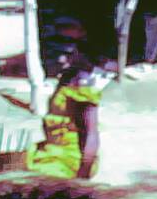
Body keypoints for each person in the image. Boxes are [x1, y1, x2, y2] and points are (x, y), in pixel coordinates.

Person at [26, 21, 102, 180]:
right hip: (52, 151)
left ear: (80, 53)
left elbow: (91, 134)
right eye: (57, 53)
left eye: (68, 54)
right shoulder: (66, 79)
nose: (60, 59)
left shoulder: (82, 85)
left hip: (69, 159)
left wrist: (83, 175)